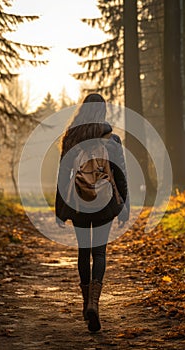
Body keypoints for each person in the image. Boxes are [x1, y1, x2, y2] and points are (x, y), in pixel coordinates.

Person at [55, 93, 129, 332]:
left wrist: (60, 210)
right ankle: (94, 304)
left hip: (78, 203)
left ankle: (85, 301)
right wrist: (124, 206)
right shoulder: (112, 139)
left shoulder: (72, 138)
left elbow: (62, 177)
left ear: (82, 111)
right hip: (105, 204)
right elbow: (120, 175)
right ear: (103, 112)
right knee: (99, 252)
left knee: (83, 251)